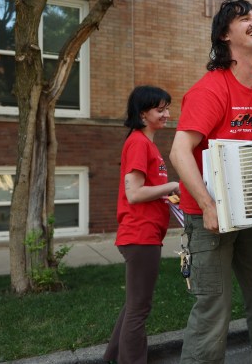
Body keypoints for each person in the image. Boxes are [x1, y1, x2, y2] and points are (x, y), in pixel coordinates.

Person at [170, 0, 252, 364]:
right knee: (214, 312)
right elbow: (180, 153)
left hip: (249, 215)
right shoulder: (211, 90)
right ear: (225, 35)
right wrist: (209, 206)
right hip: (207, 216)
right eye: (244, 19)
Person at [104, 85, 180, 364]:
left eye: (167, 108)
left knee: (134, 305)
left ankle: (112, 356)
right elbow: (134, 193)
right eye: (160, 110)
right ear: (142, 113)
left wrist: (167, 194)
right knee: (139, 308)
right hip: (140, 234)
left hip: (145, 233)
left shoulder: (147, 144)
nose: (167, 114)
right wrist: (172, 185)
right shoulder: (138, 142)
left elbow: (147, 190)